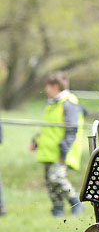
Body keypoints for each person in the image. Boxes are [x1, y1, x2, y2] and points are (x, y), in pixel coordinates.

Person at [29, 72, 86, 217]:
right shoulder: (51, 104)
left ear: (55, 86)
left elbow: (71, 130)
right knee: (50, 182)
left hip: (61, 151)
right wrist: (36, 141)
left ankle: (76, 202)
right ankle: (57, 209)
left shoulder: (68, 104)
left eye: (47, 86)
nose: (46, 89)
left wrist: (63, 151)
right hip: (48, 150)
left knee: (57, 178)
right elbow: (47, 128)